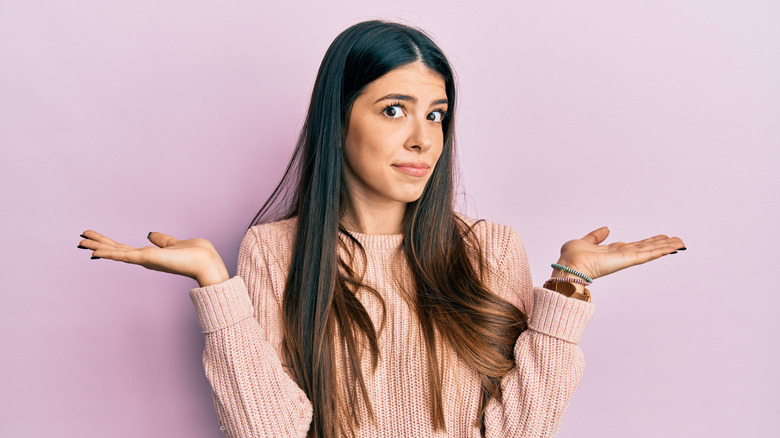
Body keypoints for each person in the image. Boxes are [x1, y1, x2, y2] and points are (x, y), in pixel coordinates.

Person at [77, 20, 685, 438]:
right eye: (393, 109)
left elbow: (520, 430)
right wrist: (217, 287)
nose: (423, 138)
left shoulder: (490, 249)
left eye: (437, 115)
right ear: (338, 119)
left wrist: (568, 287)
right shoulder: (274, 251)